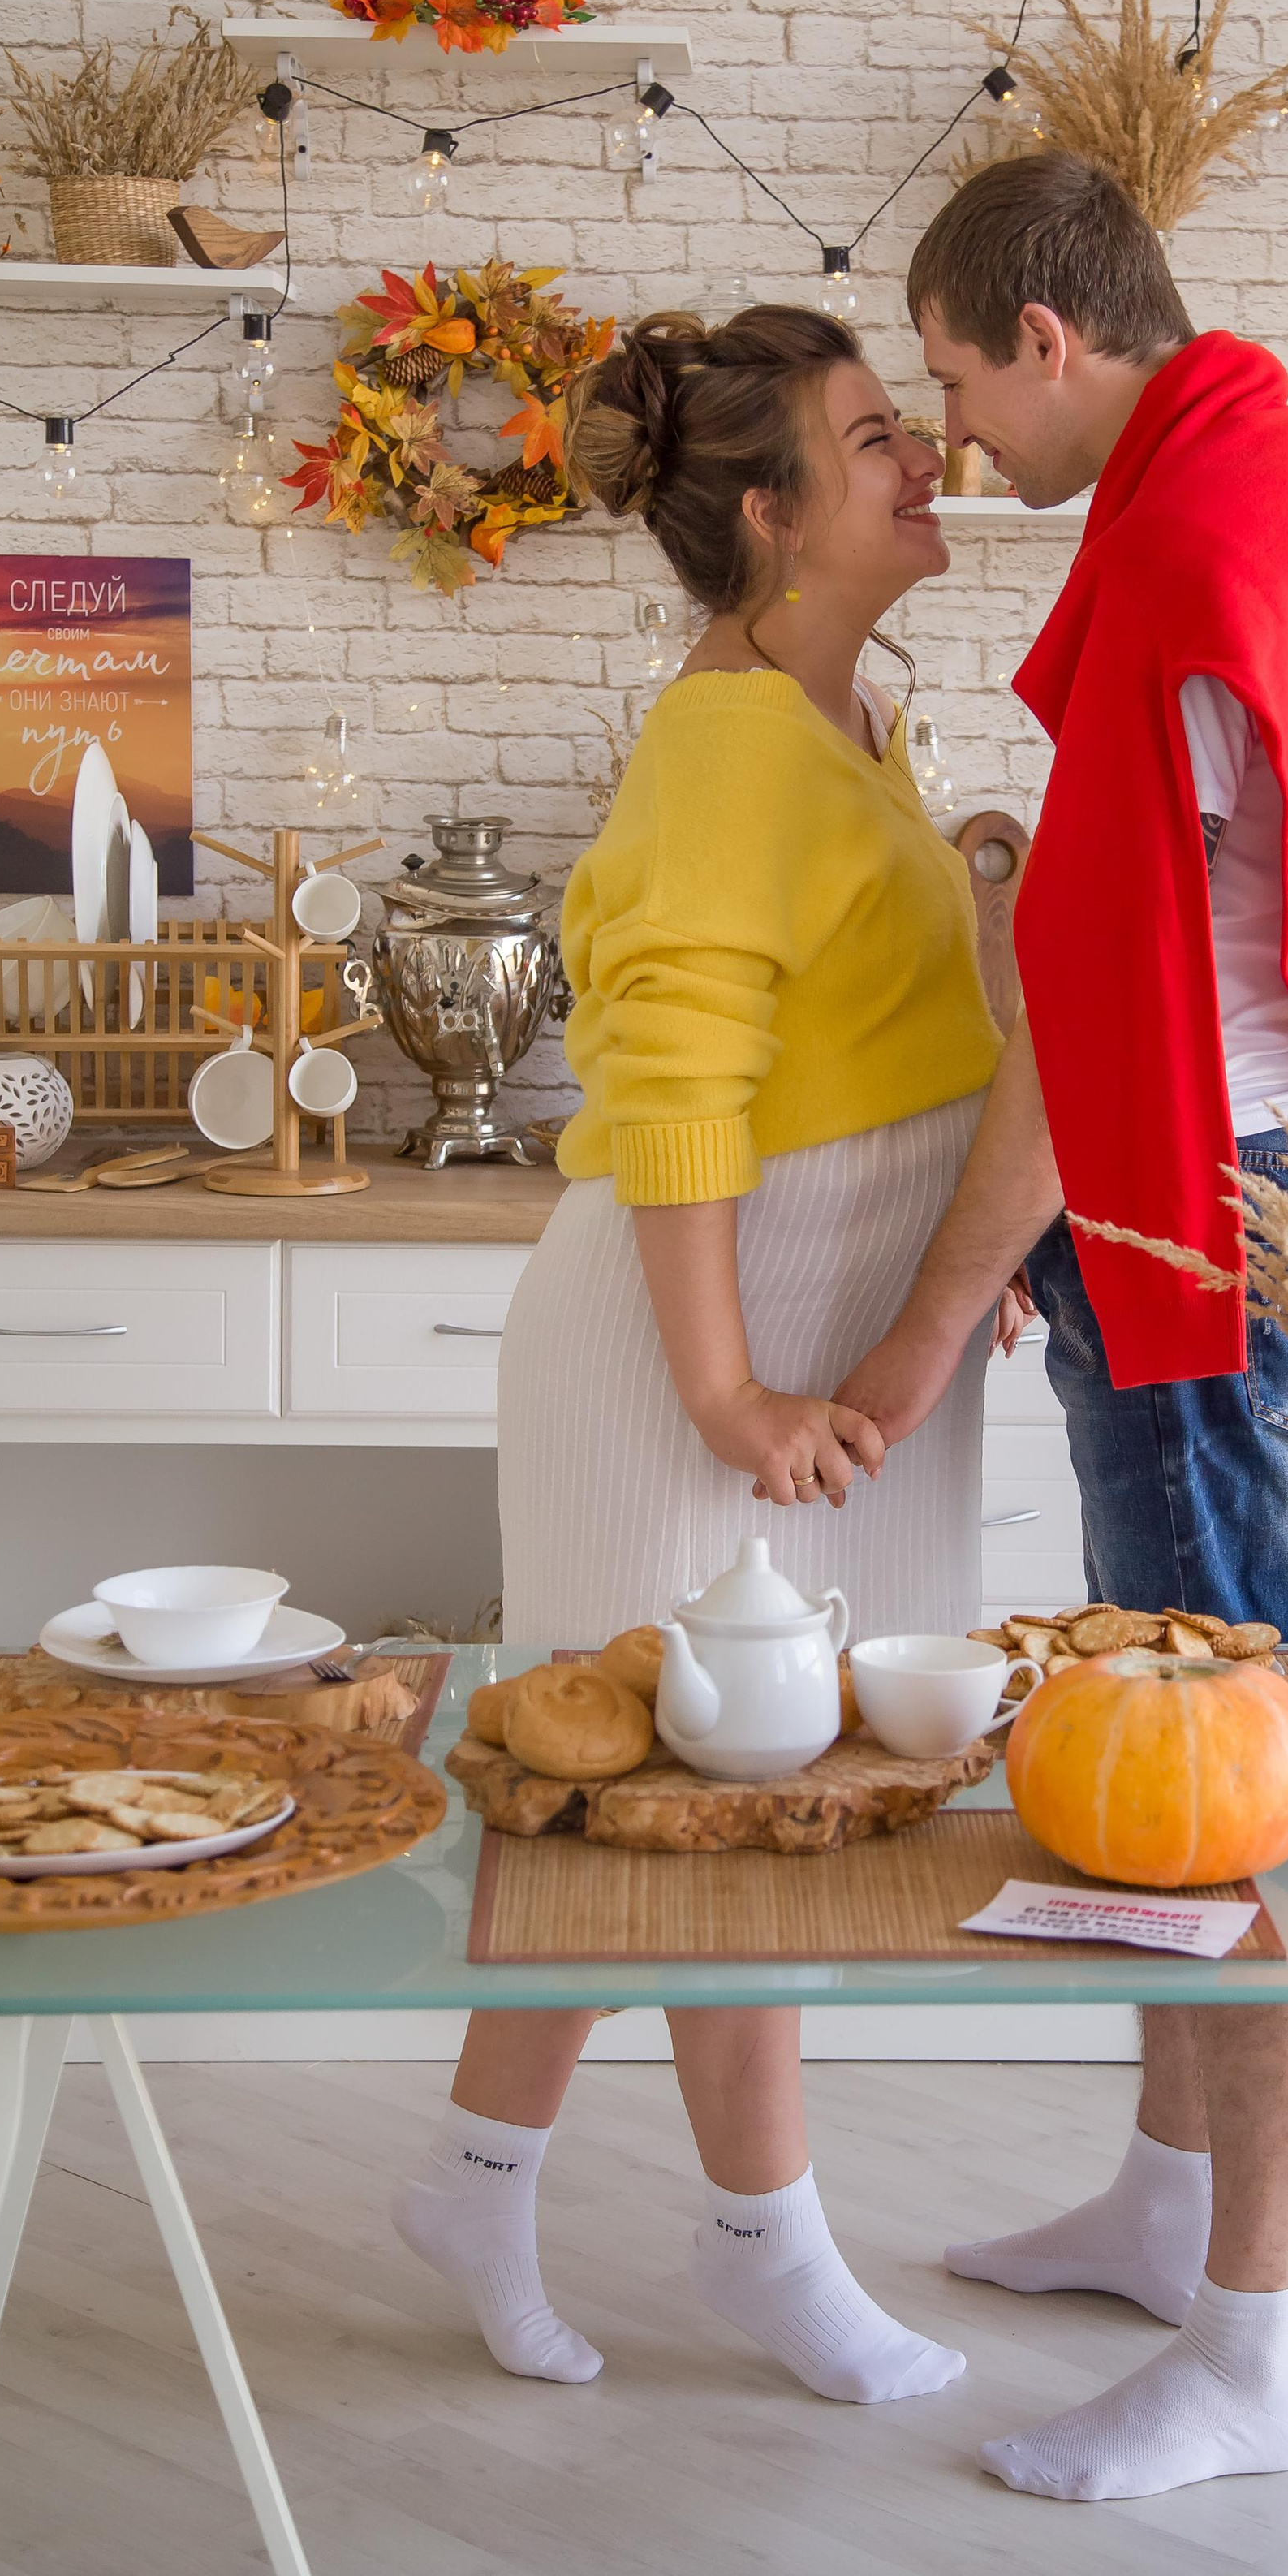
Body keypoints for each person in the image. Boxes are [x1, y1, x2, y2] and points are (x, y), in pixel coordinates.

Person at [834, 151, 1288, 2501]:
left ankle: (1257, 2355)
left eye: (953, 386)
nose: (962, 445)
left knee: (1216, 1805)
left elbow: (1098, 1032)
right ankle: (1169, 2204)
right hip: (1273, 1169)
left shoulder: (1195, 557)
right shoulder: (1285, 481)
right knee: (1159, 1742)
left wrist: (924, 1328)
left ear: (1041, 328)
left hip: (1204, 1209)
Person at [394, 304, 1011, 2408]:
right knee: (710, 1788)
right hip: (687, 1357)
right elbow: (669, 1095)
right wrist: (730, 1394)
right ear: (769, 514)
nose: (921, 453)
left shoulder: (841, 726)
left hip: (792, 1348)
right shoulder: (730, 743)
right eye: (870, 439)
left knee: (643, 1794)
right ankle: (769, 2248)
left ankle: (481, 2181)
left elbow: (872, 1046)